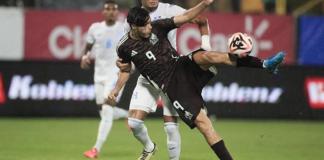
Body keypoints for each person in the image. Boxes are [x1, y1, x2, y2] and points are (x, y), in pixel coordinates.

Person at [108, 0, 285, 159]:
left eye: (149, 23)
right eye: (144, 26)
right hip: (172, 86)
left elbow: (186, 16)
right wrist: (116, 90)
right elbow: (125, 69)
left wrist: (204, 3)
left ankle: (265, 64)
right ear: (132, 26)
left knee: (209, 56)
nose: (149, 28)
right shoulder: (123, 47)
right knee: (205, 124)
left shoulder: (157, 26)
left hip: (181, 65)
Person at [120, 0, 213, 160]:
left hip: (171, 74)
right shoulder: (132, 19)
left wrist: (205, 45)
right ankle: (149, 148)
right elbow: (131, 54)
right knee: (134, 123)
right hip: (148, 76)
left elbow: (198, 19)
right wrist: (123, 65)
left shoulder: (171, 10)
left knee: (170, 127)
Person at [80, 0, 128, 158]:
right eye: (108, 9)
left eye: (114, 9)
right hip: (98, 75)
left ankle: (95, 149)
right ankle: (129, 115)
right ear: (103, 12)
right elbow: (88, 46)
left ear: (117, 12)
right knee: (104, 111)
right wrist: (85, 57)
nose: (111, 12)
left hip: (115, 75)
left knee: (107, 110)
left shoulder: (123, 27)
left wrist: (130, 64)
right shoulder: (95, 28)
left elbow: (132, 47)